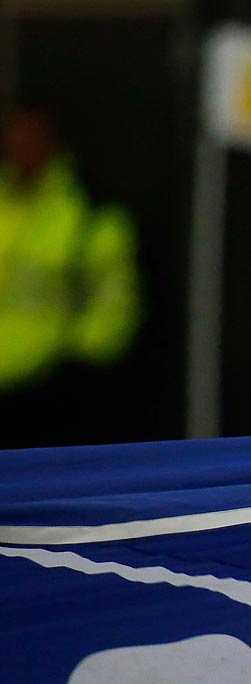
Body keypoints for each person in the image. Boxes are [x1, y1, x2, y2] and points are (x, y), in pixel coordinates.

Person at [0, 104, 140, 449]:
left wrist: (78, 369)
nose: (21, 147)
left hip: (49, 389)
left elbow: (114, 302)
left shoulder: (89, 211)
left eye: (31, 136)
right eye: (14, 136)